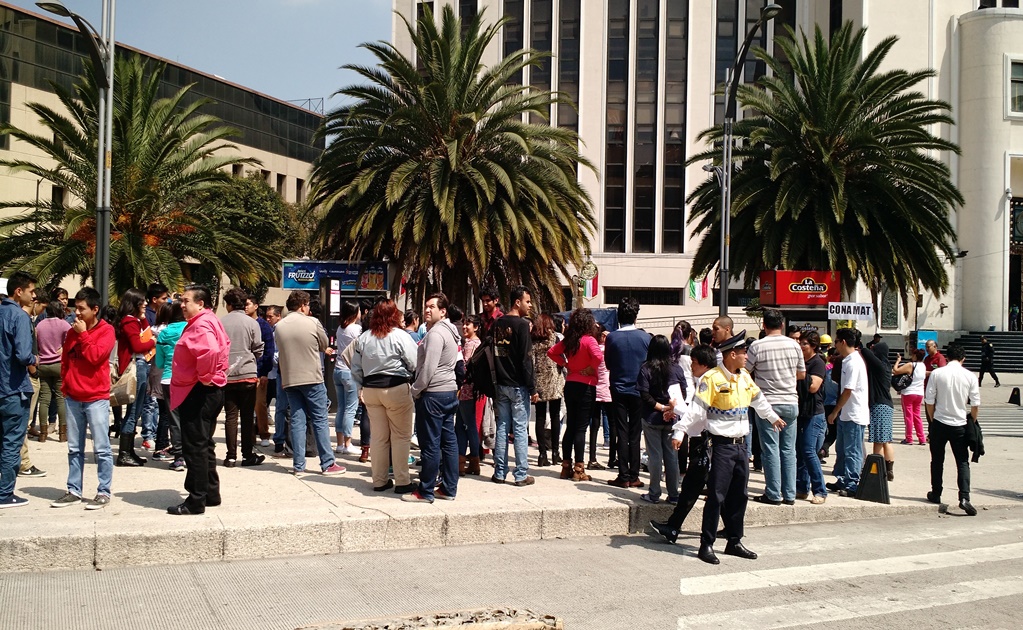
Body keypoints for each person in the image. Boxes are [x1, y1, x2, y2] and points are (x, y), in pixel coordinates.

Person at [656, 331, 784, 564]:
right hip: (722, 446)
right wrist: (680, 430)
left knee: (739, 496)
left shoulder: (744, 376)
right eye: (744, 353)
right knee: (716, 496)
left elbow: (759, 400)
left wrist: (772, 417)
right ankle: (707, 544)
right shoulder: (711, 379)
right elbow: (696, 410)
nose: (747, 357)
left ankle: (734, 540)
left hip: (741, 447)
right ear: (732, 354)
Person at [167, 285, 230, 515]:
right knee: (204, 444)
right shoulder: (209, 320)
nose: (181, 305)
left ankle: (196, 500)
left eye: (186, 301)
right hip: (207, 390)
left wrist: (205, 376)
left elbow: (211, 350)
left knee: (195, 447)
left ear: (200, 303)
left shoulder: (202, 323)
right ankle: (210, 493)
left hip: (198, 391)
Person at [51, 287, 116, 510]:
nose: (76, 313)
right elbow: (66, 360)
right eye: (75, 308)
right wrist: (66, 385)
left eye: (81, 309)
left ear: (94, 309)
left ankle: (103, 491)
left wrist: (84, 335)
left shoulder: (106, 331)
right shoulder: (71, 333)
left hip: (96, 397)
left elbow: (96, 357)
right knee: (74, 448)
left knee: (102, 448)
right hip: (73, 398)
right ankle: (73, 490)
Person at [649, 344, 717, 540]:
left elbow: (698, 414)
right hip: (705, 440)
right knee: (712, 488)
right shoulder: (707, 379)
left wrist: (677, 411)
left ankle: (673, 527)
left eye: (694, 363)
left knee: (693, 487)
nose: (692, 366)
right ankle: (731, 529)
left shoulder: (707, 381)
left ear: (704, 364)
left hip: (704, 442)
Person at [275, 291, 346, 478]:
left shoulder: (279, 326)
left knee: (297, 421)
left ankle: (299, 465)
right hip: (312, 377)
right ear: (303, 305)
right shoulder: (313, 322)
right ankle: (327, 463)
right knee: (319, 420)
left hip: (290, 378)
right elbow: (324, 343)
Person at [351, 299, 418, 493]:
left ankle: (379, 481)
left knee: (379, 438)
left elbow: (356, 368)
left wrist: (360, 388)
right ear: (394, 315)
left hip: (371, 390)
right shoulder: (400, 335)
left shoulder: (364, 337)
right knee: (401, 436)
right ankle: (402, 481)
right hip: (395, 388)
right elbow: (414, 362)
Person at [403, 293, 461, 503]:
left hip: (434, 394)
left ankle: (425, 491)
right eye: (426, 306)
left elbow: (428, 368)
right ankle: (448, 488)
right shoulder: (450, 331)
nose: (427, 310)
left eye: (432, 307)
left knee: (430, 445)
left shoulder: (436, 334)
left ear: (443, 311)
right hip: (447, 392)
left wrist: (415, 390)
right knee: (449, 443)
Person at [746, 308, 804, 505]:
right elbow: (802, 374)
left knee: (770, 448)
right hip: (790, 401)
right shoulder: (794, 345)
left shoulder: (757, 346)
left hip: (767, 404)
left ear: (763, 325)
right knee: (788, 449)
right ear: (782, 325)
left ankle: (773, 493)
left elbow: (745, 372)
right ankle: (789, 493)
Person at [547, 308, 603, 482]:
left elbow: (551, 352)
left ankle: (566, 466)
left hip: (570, 384)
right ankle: (579, 469)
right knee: (581, 429)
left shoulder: (570, 341)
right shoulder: (589, 340)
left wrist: (565, 363)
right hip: (586, 386)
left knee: (570, 426)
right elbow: (599, 357)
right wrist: (591, 368)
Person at [925, 342, 980, 516]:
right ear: (963, 358)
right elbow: (975, 405)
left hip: (940, 422)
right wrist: (972, 420)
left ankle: (936, 492)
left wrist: (933, 420)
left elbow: (929, 401)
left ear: (946, 357)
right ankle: (964, 497)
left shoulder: (937, 373)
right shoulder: (970, 376)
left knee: (937, 459)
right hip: (960, 424)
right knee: (962, 461)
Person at [491, 285, 536, 486]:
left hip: (500, 382)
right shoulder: (522, 326)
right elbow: (526, 359)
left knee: (502, 427)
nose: (530, 305)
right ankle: (520, 474)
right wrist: (532, 387)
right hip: (518, 385)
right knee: (519, 428)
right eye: (528, 301)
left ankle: (499, 472)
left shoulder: (497, 323)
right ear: (517, 302)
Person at [0, 272, 39, 509]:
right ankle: (5, 493)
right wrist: (36, 358)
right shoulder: (19, 317)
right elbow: (24, 355)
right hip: (14, 389)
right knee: (12, 443)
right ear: (19, 291)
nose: (34, 296)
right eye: (31, 291)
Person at [605, 297, 651, 488]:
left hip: (618, 388)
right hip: (639, 390)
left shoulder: (612, 337)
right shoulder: (646, 338)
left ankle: (623, 476)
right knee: (635, 434)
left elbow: (608, 364)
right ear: (636, 316)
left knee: (621, 433)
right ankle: (634, 475)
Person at [218, 288, 264, 467]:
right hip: (247, 374)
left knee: (230, 416)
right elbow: (259, 348)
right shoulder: (252, 323)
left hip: (227, 375)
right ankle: (248, 454)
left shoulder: (221, 323)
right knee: (246, 416)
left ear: (228, 304)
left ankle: (230, 456)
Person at [636, 334, 683, 503]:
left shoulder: (646, 368)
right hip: (672, 418)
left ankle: (654, 493)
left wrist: (661, 407)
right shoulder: (676, 368)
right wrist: (671, 409)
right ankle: (674, 494)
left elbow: (644, 394)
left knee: (655, 456)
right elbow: (683, 391)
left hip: (651, 417)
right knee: (671, 456)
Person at [826, 328, 869, 497]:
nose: (835, 345)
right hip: (846, 413)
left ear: (843, 342)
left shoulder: (853, 362)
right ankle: (842, 479)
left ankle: (852, 483)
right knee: (842, 449)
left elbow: (848, 390)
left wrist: (834, 411)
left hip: (854, 413)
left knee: (853, 450)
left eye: (836, 341)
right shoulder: (847, 360)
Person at [114, 288, 155, 466]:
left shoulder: (134, 321)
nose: (145, 304)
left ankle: (129, 451)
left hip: (140, 366)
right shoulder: (129, 322)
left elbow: (146, 330)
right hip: (136, 366)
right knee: (132, 412)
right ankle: (124, 453)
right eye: (142, 302)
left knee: (136, 410)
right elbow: (138, 345)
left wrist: (143, 317)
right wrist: (153, 342)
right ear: (134, 304)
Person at [155, 301, 187, 471]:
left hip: (168, 380)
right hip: (188, 380)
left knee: (174, 420)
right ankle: (191, 454)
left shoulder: (164, 334)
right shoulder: (190, 329)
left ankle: (179, 457)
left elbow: (159, 363)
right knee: (189, 418)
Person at [796, 331, 827, 504]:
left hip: (814, 413)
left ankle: (820, 490)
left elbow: (813, 386)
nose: (801, 346)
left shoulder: (817, 363)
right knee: (800, 450)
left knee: (809, 450)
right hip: (801, 411)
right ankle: (801, 487)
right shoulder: (801, 362)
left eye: (804, 344)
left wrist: (799, 375)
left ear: (813, 346)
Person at [34, 301, 70, 443]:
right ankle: (62, 433)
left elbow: (36, 343)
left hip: (43, 364)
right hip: (58, 364)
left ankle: (42, 433)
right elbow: (73, 339)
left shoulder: (40, 325)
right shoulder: (63, 324)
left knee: (44, 399)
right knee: (61, 398)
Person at [531, 313, 563, 468]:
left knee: (540, 417)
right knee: (556, 415)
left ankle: (542, 454)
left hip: (538, 381)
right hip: (554, 380)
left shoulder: (533, 340)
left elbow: (530, 362)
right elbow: (561, 358)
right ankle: (556, 452)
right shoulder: (554, 339)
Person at [861, 338, 896, 480]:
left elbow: (866, 352)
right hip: (887, 405)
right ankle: (889, 469)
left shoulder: (880, 366)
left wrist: (863, 346)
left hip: (879, 406)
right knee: (886, 440)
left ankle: (878, 469)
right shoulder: (886, 366)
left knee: (878, 440)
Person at [333, 300, 362, 455]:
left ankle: (339, 444)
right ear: (354, 313)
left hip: (337, 369)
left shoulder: (340, 328)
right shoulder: (356, 329)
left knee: (341, 408)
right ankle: (348, 444)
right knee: (351, 409)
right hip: (350, 371)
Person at [456, 314, 483, 475]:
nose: (465, 327)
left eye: (469, 324)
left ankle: (473, 460)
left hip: (466, 389)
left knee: (468, 426)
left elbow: (464, 368)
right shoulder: (475, 343)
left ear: (476, 327)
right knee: (460, 425)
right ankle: (464, 461)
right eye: (464, 324)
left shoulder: (471, 345)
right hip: (469, 390)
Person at [247, 295, 275, 446]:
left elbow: (269, 350)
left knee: (260, 404)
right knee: (246, 406)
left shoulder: (263, 326)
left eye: (248, 304)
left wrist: (265, 372)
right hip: (245, 370)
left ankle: (264, 434)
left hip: (259, 371)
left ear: (256, 306)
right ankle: (249, 435)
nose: (246, 307)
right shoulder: (243, 323)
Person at [589, 323, 612, 469]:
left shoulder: (593, 349)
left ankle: (592, 457)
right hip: (608, 391)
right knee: (613, 423)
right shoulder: (608, 350)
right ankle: (612, 457)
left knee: (594, 425)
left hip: (594, 389)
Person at [893, 350, 927, 445]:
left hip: (909, 392)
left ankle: (909, 438)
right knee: (917, 416)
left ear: (915, 355)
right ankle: (921, 438)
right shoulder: (923, 366)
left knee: (908, 416)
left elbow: (896, 370)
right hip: (919, 393)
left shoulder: (911, 365)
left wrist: (898, 361)